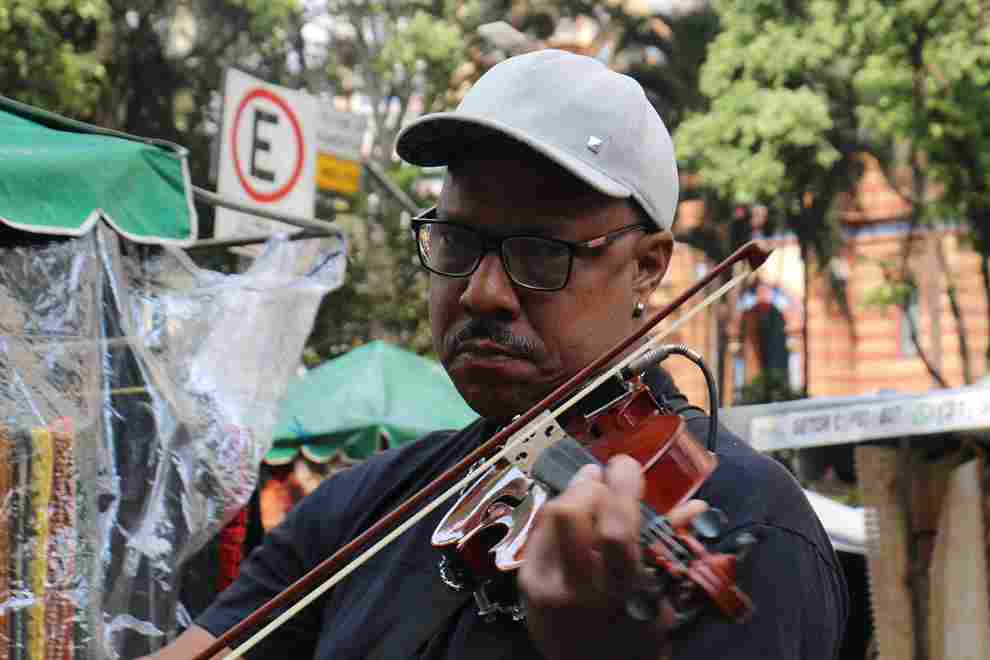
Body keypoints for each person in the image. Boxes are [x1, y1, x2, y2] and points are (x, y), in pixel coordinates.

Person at [149, 49, 847, 660]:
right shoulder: (359, 510)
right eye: (457, 243)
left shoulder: (749, 523)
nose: (483, 293)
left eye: (541, 251)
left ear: (647, 268)